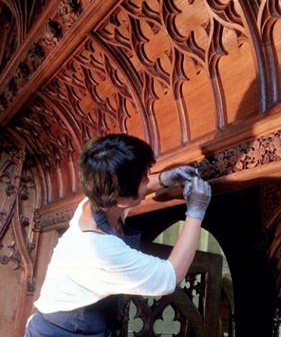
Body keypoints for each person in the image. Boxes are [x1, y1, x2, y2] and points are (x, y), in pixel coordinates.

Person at [25, 133, 211, 336]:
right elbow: (170, 276)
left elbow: (124, 188)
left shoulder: (96, 199)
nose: (149, 179)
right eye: (145, 177)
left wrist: (166, 178)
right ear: (121, 199)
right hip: (62, 332)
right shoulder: (99, 251)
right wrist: (196, 211)